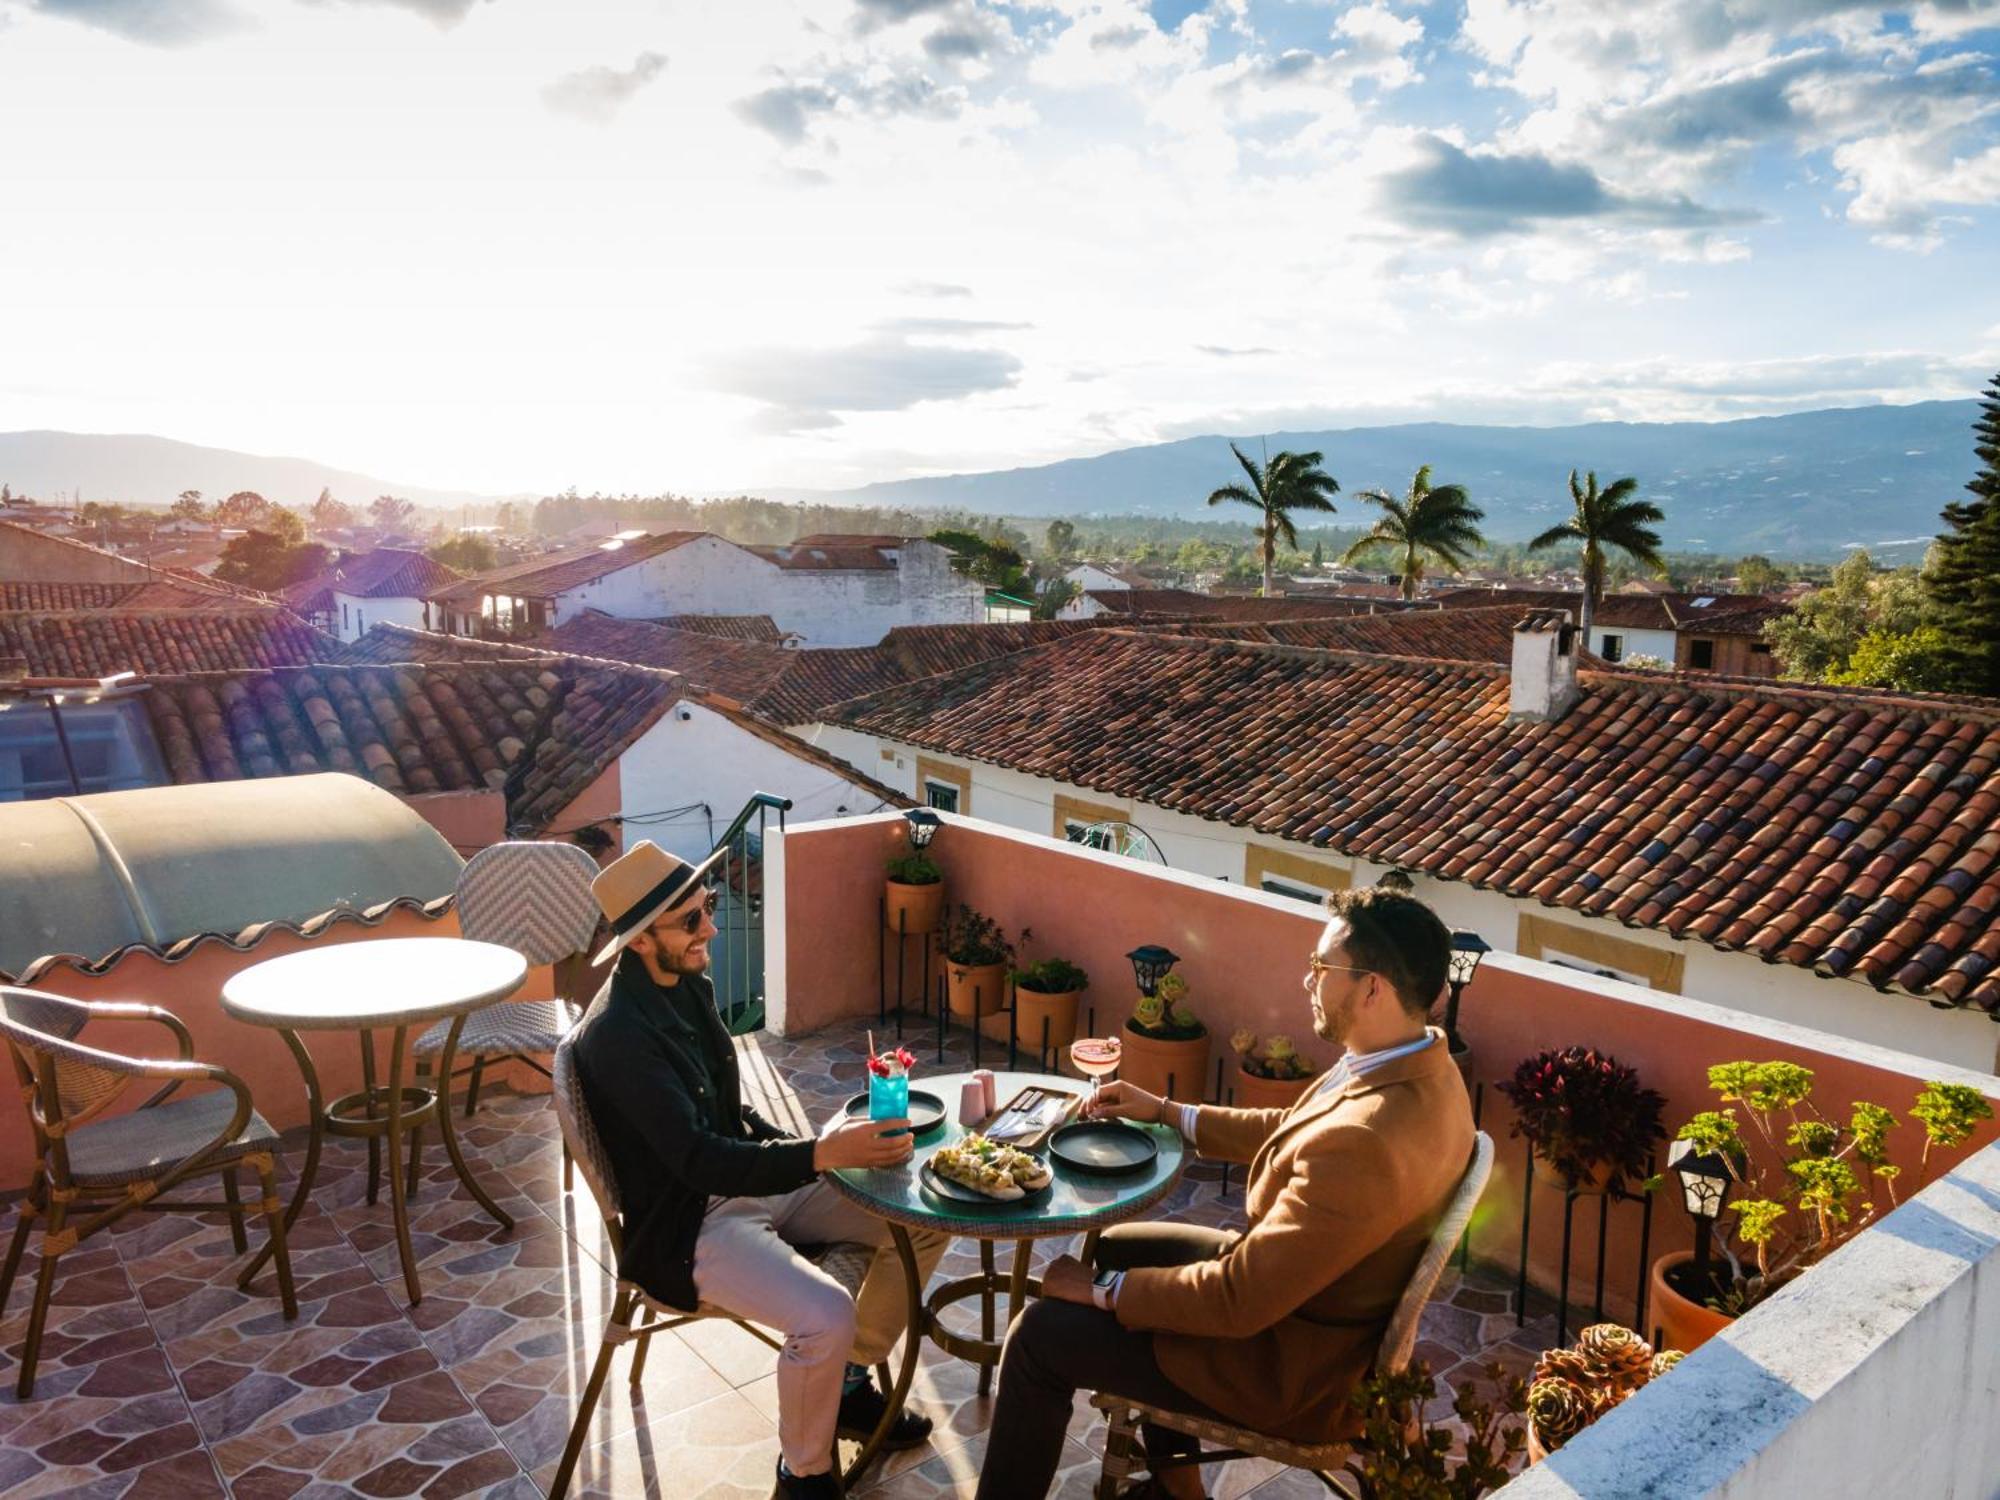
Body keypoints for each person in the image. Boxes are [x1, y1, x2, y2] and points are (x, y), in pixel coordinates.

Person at [975, 887, 1476, 1500]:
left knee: (1039, 1336)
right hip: (1302, 1301)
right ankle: (1176, 1493)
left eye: (1321, 968)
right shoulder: (1415, 1063)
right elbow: (1297, 1130)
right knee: (1121, 1246)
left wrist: (1101, 1293)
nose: (1307, 980)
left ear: (1372, 987)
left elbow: (1238, 1301)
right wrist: (1167, 1112)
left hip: (1285, 1366)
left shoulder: (1370, 1141)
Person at [571, 841, 948, 1499]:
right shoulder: (619, 1038)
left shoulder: (688, 988)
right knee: (824, 1313)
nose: (711, 928)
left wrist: (813, 1158)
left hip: (743, 1186)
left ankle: (850, 1386)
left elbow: (730, 1110)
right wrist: (819, 1157)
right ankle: (801, 1476)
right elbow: (694, 1158)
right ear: (638, 941)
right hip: (690, 1224)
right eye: (691, 921)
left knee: (918, 1211)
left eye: (707, 908)